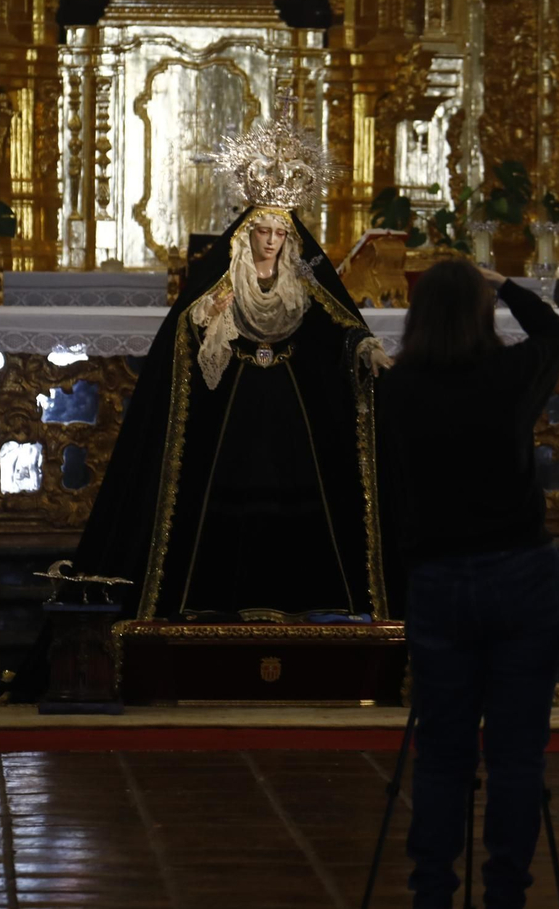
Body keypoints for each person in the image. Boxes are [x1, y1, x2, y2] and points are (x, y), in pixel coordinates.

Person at [74, 110, 392, 623]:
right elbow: (184, 331)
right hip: (234, 405)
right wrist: (207, 318)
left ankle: (301, 592)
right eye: (263, 231)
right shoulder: (222, 278)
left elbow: (339, 321)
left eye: (279, 234)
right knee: (222, 490)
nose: (271, 241)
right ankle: (213, 590)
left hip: (289, 407)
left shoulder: (303, 280)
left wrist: (366, 349)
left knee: (292, 492)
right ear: (247, 234)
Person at [378, 261, 559, 909]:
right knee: (518, 756)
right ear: (482, 312)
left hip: (438, 577)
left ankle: (431, 891)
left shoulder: (398, 389)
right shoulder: (508, 375)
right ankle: (505, 896)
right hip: (522, 573)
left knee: (441, 752)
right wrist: (507, 282)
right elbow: (555, 336)